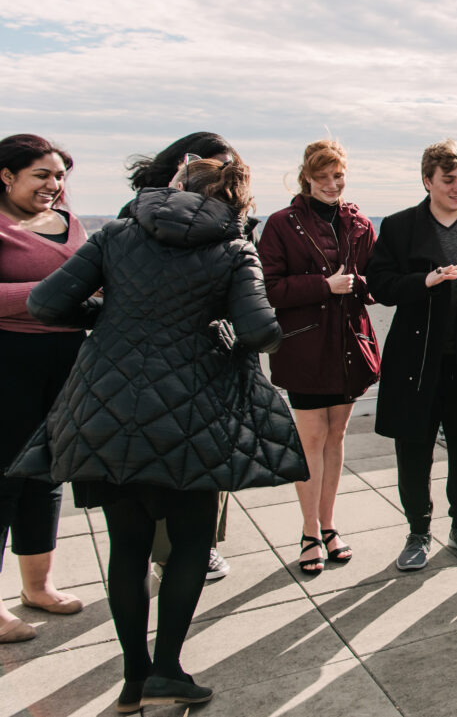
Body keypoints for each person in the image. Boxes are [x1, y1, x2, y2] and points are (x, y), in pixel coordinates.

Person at [8, 157, 307, 712]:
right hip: (191, 416)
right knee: (191, 541)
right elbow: (262, 332)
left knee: (128, 545)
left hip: (105, 407)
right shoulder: (234, 250)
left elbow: (44, 304)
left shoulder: (117, 234)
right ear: (236, 199)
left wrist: (115, 314)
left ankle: (132, 680)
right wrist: (212, 333)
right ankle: (167, 669)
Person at [367, 139, 457, 571]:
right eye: (449, 180)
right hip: (416, 361)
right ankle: (418, 531)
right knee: (413, 450)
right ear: (427, 180)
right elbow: (379, 285)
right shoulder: (398, 227)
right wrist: (422, 282)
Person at [124, 131, 244, 582]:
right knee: (159, 463)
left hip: (211, 356)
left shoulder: (230, 226)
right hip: (153, 361)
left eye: (225, 170)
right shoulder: (136, 218)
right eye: (210, 168)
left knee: (213, 459)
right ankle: (163, 550)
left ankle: (203, 544)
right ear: (182, 170)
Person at [259, 140, 380, 574]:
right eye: (323, 176)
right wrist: (322, 285)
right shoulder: (280, 224)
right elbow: (270, 289)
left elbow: (374, 282)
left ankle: (330, 526)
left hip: (349, 345)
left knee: (337, 437)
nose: (332, 184)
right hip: (305, 349)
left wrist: (368, 283)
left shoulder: (361, 223)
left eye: (338, 175)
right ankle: (309, 531)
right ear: (306, 178)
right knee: (311, 439)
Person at [0, 134, 86, 644]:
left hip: (69, 361)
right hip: (10, 362)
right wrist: (54, 294)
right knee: (3, 478)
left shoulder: (70, 223)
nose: (54, 185)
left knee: (48, 472)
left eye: (59, 176)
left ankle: (38, 586)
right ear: (7, 175)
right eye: (42, 175)